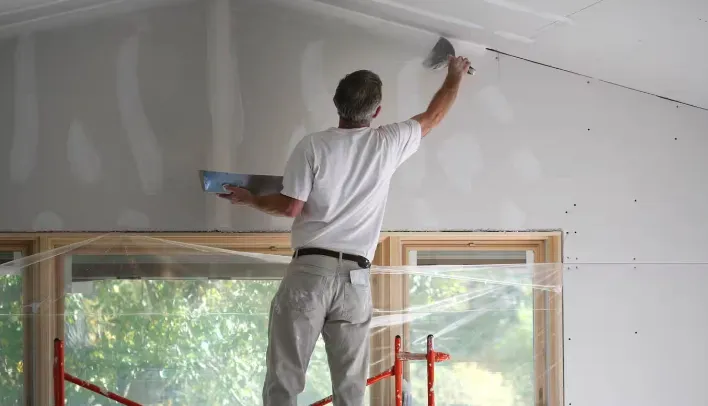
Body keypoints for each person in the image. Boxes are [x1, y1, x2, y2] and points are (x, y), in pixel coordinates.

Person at [218, 55, 472, 406]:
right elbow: (434, 116)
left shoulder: (313, 146)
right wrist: (455, 74)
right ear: (377, 111)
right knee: (351, 389)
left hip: (310, 273)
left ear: (337, 103)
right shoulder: (387, 142)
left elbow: (290, 207)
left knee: (285, 379)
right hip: (355, 279)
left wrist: (250, 199)